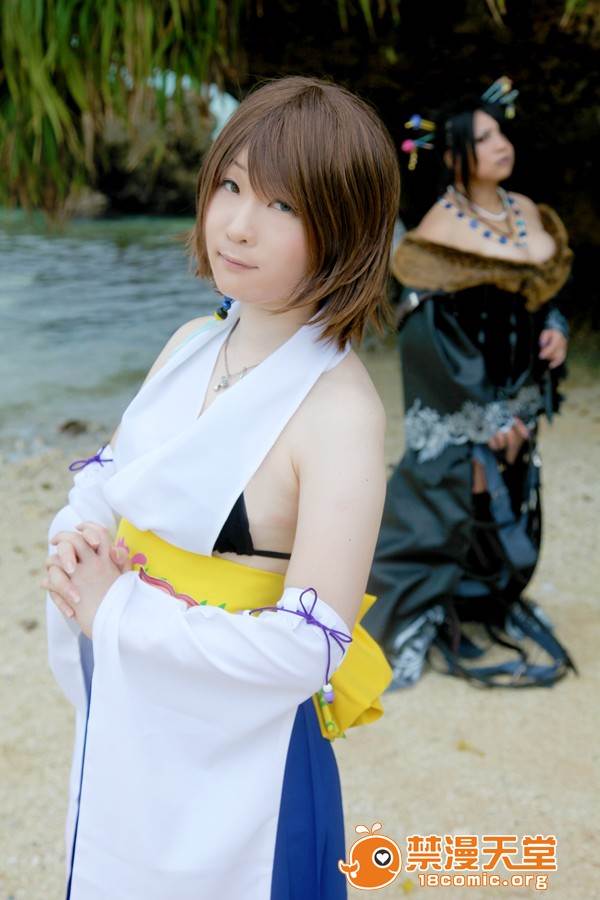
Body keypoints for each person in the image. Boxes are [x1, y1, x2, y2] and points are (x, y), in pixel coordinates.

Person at [42, 76, 399, 900]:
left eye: (283, 205)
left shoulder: (341, 412)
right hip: (135, 711)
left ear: (345, 227)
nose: (238, 224)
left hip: (247, 757)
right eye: (231, 187)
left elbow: (310, 646)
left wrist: (118, 612)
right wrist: (74, 544)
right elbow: (112, 483)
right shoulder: (190, 343)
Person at [364, 78, 577, 689]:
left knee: (510, 493)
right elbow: (427, 333)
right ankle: (419, 615)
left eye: (500, 133)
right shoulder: (441, 227)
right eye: (483, 139)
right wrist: (486, 416)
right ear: (455, 156)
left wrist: (555, 330)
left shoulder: (524, 209)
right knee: (451, 499)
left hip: (519, 390)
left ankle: (484, 601)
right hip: (464, 396)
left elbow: (541, 296)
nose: (501, 144)